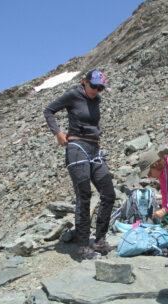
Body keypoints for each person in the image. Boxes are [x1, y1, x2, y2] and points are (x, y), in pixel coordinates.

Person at [44, 69, 115, 258]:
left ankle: (100, 240)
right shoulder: (73, 95)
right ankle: (83, 245)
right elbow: (49, 110)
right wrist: (57, 133)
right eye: (94, 86)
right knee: (84, 194)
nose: (96, 90)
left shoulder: (97, 99)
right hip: (76, 147)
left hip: (94, 149)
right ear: (84, 82)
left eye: (100, 88)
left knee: (108, 194)